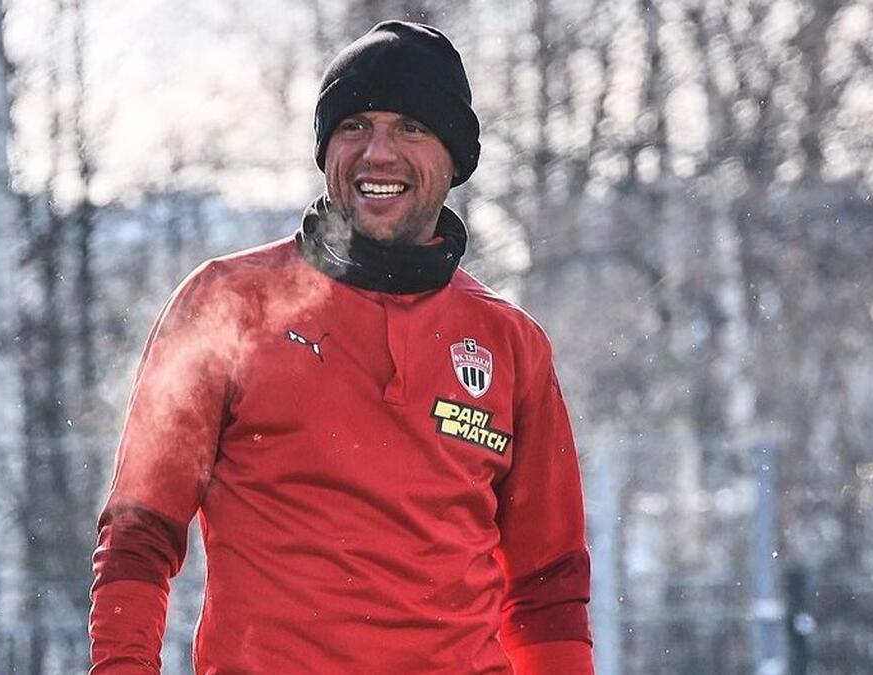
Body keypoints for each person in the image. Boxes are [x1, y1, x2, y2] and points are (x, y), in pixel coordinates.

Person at [89, 21, 593, 675]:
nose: (378, 153)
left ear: (454, 159)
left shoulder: (510, 344)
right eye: (355, 125)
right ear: (326, 149)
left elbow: (548, 588)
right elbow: (140, 530)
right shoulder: (227, 304)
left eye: (411, 127)